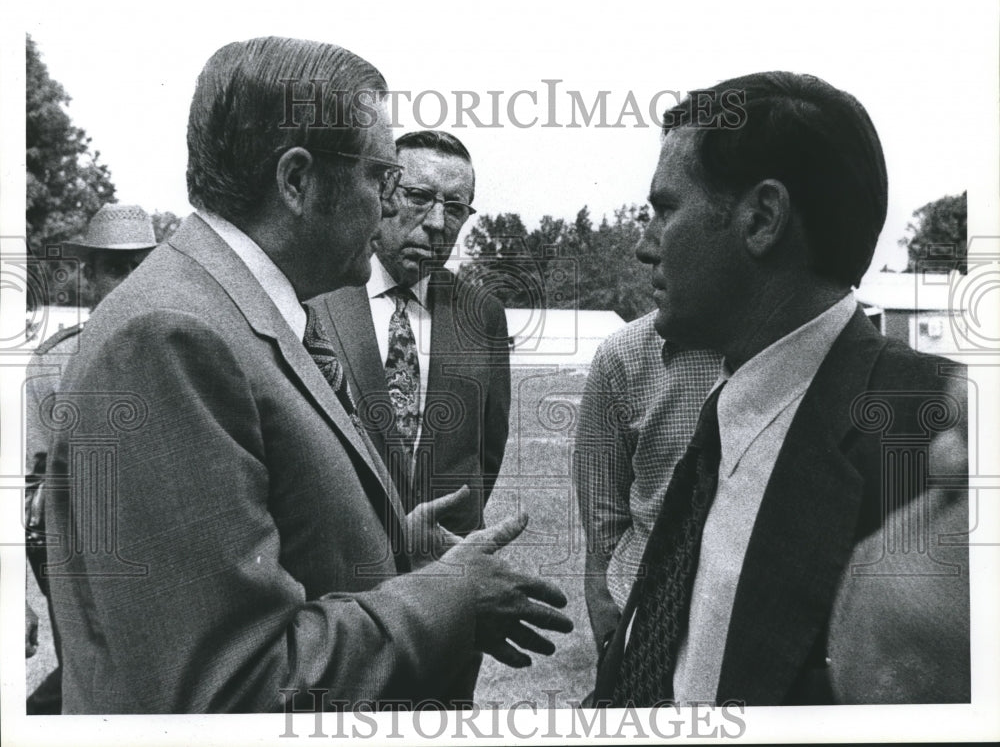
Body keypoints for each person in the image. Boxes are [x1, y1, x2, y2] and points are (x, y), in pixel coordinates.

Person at [43, 36, 571, 714]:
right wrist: (449, 595)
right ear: (296, 181)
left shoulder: (237, 309)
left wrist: (386, 542)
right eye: (382, 179)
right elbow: (229, 690)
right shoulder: (172, 337)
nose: (389, 208)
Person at [592, 71, 969, 706]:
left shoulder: (933, 436)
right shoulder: (730, 407)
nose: (642, 247)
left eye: (665, 210)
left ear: (762, 218)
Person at [308, 130, 509, 536]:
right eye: (418, 197)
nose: (437, 223)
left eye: (455, 207)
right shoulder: (316, 297)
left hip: (446, 567)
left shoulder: (481, 314)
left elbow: (488, 453)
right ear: (382, 194)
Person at [24, 202, 157, 714]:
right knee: (91, 687)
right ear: (91, 273)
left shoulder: (184, 344)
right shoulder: (54, 360)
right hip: (78, 559)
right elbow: (27, 485)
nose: (126, 281)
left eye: (139, 266)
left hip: (163, 553)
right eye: (112, 268)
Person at [572, 313, 717, 659]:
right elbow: (603, 534)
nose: (647, 255)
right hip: (646, 631)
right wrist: (612, 655)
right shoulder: (623, 356)